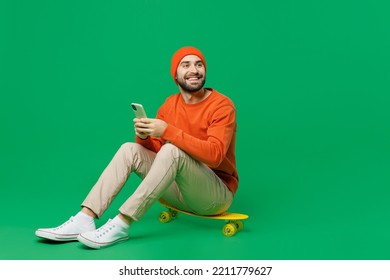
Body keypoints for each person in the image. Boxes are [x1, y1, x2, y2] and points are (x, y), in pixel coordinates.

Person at [35, 46, 239, 249]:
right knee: (129, 149)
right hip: (180, 194)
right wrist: (143, 136)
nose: (194, 70)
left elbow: (215, 155)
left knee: (172, 150)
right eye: (186, 65)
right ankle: (84, 218)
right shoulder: (170, 105)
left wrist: (167, 131)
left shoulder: (222, 105)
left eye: (199, 64)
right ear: (175, 75)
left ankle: (122, 224)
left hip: (214, 197)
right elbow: (158, 155)